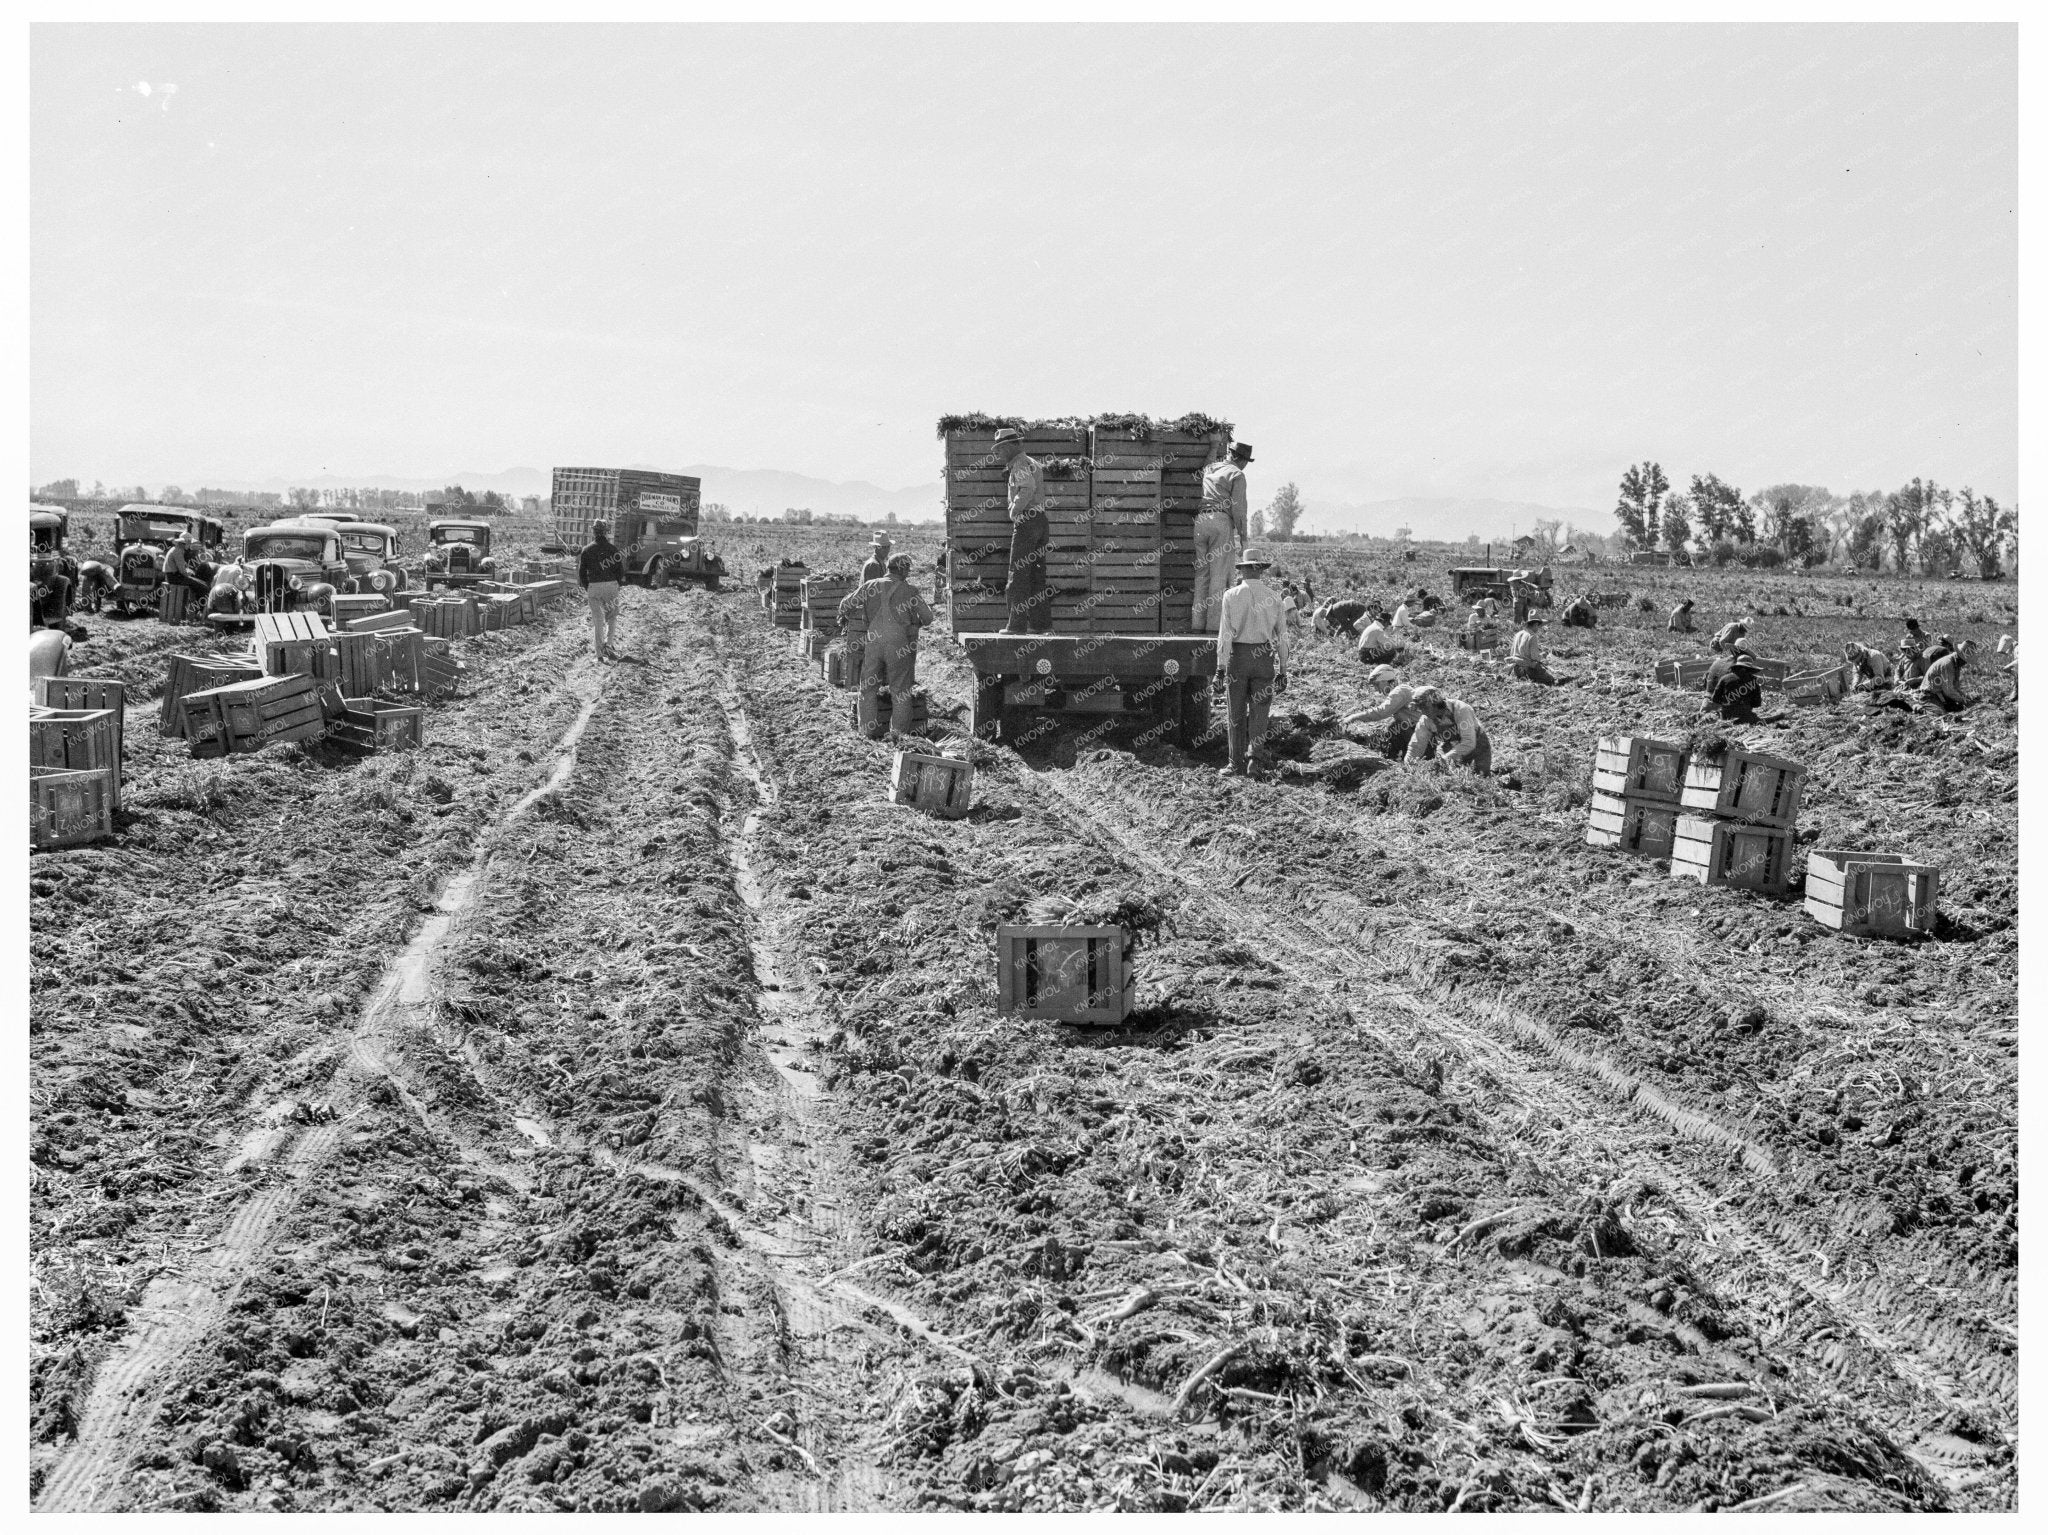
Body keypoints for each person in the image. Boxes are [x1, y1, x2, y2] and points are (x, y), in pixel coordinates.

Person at [839, 552, 936, 738]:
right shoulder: (910, 591)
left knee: (867, 689)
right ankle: (897, 737)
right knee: (900, 691)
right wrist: (914, 623)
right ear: (903, 570)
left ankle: (866, 734)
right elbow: (928, 617)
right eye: (908, 569)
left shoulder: (870, 586)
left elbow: (845, 605)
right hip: (899, 645)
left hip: (873, 642)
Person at [1214, 546, 1288, 777]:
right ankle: (1254, 761)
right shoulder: (1275, 597)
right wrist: (1283, 669)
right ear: (1261, 570)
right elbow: (1282, 636)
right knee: (1260, 713)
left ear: (1243, 570)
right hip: (1264, 658)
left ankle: (1235, 763)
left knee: (1235, 713)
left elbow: (1225, 635)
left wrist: (1220, 668)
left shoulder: (1231, 596)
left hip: (1238, 658)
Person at [992, 428, 1050, 634]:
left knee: (1017, 575)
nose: (998, 453)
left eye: (1000, 449)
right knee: (1036, 574)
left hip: (1027, 522)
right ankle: (1039, 625)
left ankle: (1016, 626)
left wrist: (1014, 511)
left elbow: (1026, 488)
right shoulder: (1032, 462)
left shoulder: (1019, 464)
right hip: (1040, 520)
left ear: (1009, 446)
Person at [1194, 441, 1253, 633]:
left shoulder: (1211, 468)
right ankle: (1213, 628)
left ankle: (1197, 625)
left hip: (1201, 521)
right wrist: (1244, 539)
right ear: (1241, 460)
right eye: (1246, 462)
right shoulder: (1237, 475)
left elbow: (1207, 462)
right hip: (1221, 521)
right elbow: (1239, 510)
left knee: (1202, 575)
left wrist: (1213, 445)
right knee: (1219, 576)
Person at [1342, 664, 1425, 760]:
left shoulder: (1400, 691)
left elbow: (1381, 712)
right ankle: (1401, 758)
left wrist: (1353, 717)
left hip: (1424, 738)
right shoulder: (1401, 691)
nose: (1377, 690)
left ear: (1385, 681)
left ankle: (1402, 759)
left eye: (1377, 684)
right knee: (1394, 726)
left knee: (1393, 726)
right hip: (1422, 736)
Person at [1407, 688, 1491, 775]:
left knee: (1481, 777)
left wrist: (1445, 759)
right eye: (1420, 708)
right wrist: (1408, 765)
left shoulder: (1461, 709)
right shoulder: (1426, 719)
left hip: (1477, 748)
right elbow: (1416, 745)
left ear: (1436, 703)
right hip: (1449, 747)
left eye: (1425, 707)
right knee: (1443, 777)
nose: (1423, 712)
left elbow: (1469, 742)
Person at [578, 519, 627, 661]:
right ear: (606, 532)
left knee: (598, 620)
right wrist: (616, 584)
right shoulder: (613, 549)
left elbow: (582, 573)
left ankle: (599, 653)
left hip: (594, 587)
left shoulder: (586, 550)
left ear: (593, 531)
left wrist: (588, 587)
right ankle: (609, 645)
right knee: (611, 616)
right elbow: (620, 571)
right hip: (611, 586)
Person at [1705, 655, 1766, 723]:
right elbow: (1757, 703)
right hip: (1745, 716)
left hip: (1726, 717)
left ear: (1736, 667)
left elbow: (1715, 699)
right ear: (1749, 668)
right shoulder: (1753, 681)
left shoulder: (1724, 678)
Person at [1917, 642, 1974, 713]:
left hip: (1940, 694)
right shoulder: (1947, 664)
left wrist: (1965, 698)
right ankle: (1919, 708)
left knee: (1957, 708)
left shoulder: (1956, 664)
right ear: (1959, 657)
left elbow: (1955, 686)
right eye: (1965, 661)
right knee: (1940, 713)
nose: (1965, 663)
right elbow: (1948, 690)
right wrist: (1963, 700)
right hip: (1929, 695)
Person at [161, 532, 210, 605]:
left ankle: (197, 606)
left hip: (174, 576)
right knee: (202, 587)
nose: (190, 544)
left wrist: (189, 574)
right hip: (174, 577)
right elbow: (182, 570)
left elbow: (182, 566)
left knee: (201, 583)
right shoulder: (178, 551)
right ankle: (199, 607)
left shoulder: (177, 549)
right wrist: (189, 576)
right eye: (189, 542)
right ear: (185, 542)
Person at [1509, 615, 1558, 685]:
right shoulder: (1532, 636)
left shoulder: (1518, 634)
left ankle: (1523, 677)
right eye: (1538, 626)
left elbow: (1511, 652)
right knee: (1551, 680)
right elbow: (1534, 657)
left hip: (1516, 669)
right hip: (1528, 669)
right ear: (1535, 624)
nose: (1538, 629)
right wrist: (1542, 656)